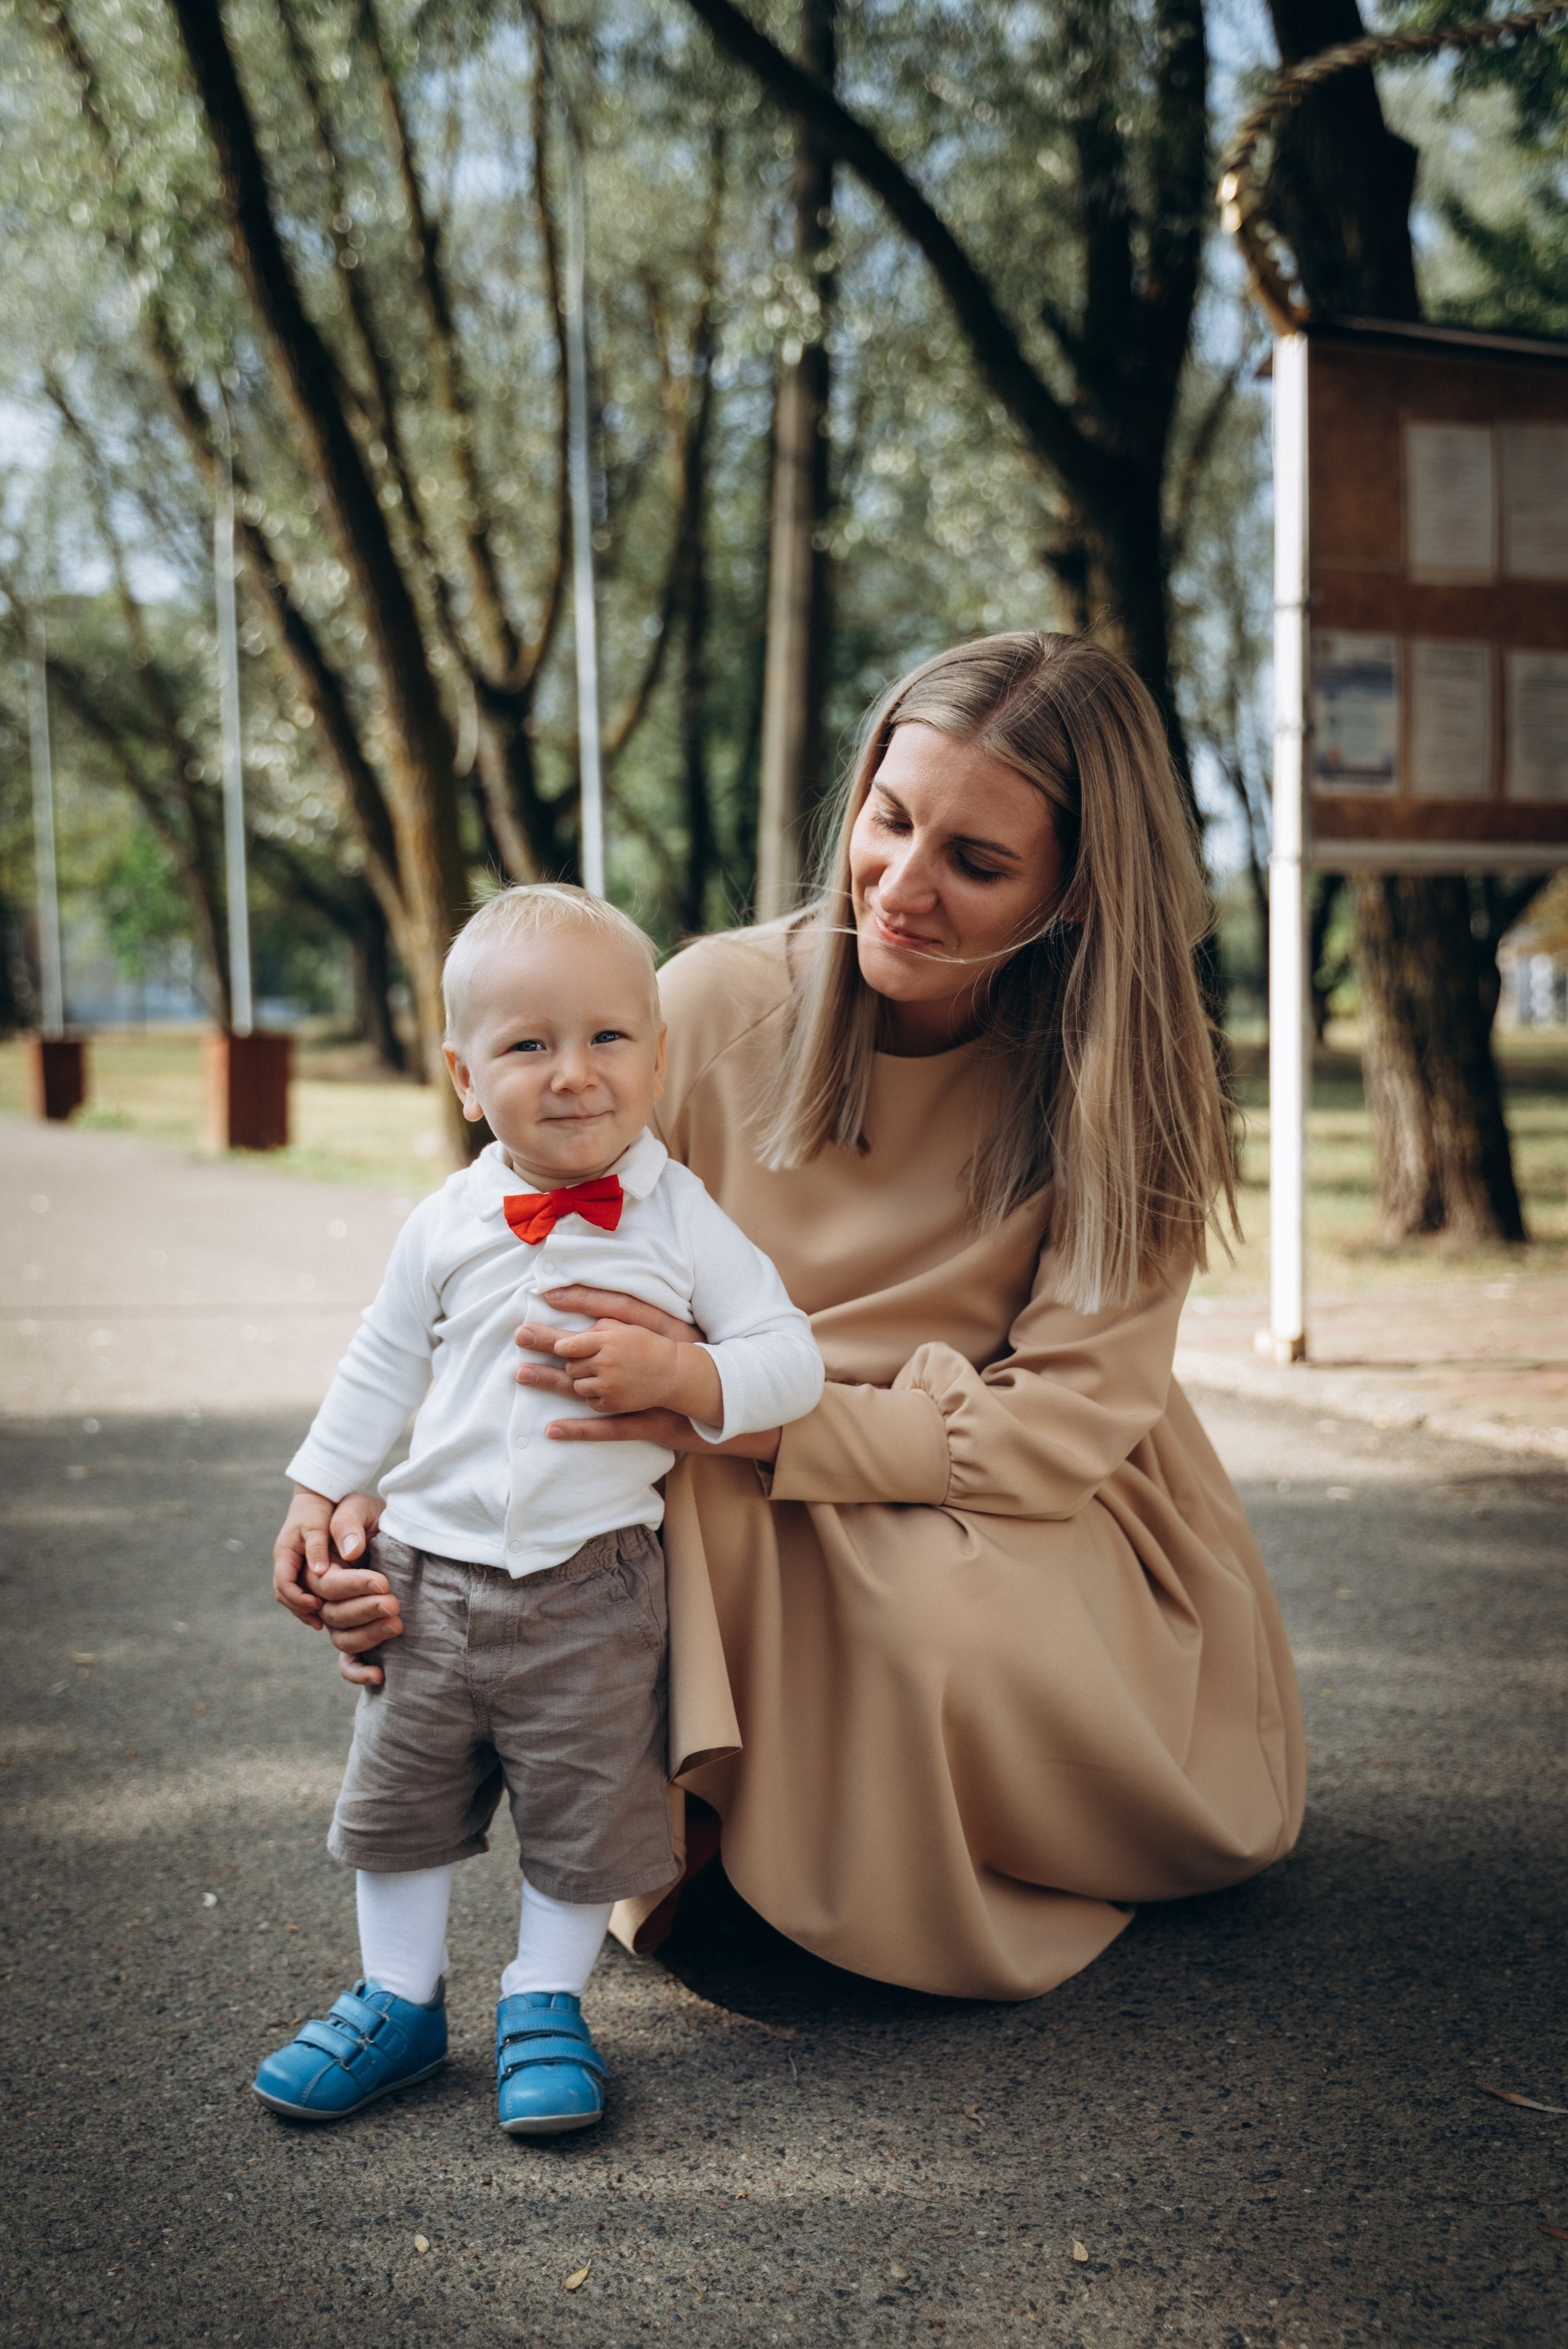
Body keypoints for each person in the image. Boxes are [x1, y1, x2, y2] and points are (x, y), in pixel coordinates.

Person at [284, 632, 1306, 2008]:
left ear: (1076, 892)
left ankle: (867, 1864)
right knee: (627, 1495)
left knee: (897, 1596)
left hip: (1015, 1488)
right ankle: (713, 1848)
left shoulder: (1124, 1084)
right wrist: (362, 1511)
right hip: (710, 1436)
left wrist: (739, 1412)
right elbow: (499, 1300)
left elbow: (1058, 1427)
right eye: (889, 821)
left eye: (978, 862)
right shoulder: (705, 1006)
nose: (901, 887)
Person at [257, 884, 824, 2132]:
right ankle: (397, 1999)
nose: (573, 1075)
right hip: (427, 1572)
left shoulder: (681, 1220)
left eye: (608, 1038)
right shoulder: (443, 1223)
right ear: (465, 1078)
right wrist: (316, 1489)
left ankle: (544, 2000)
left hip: (594, 1582)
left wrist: (685, 1373)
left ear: (659, 1057)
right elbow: (379, 1364)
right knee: (402, 1803)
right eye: (527, 1045)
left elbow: (791, 1358)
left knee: (584, 1808)